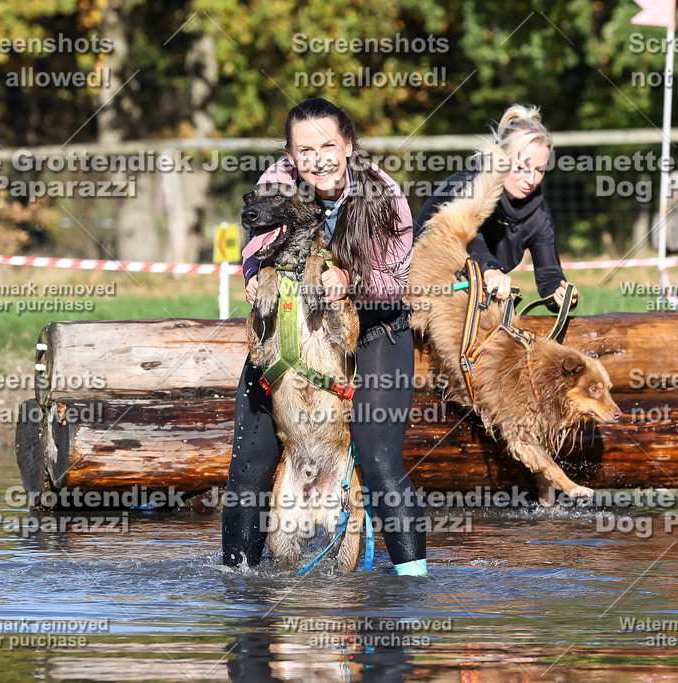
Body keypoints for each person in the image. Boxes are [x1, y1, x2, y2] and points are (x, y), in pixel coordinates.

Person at [222, 98, 428, 577]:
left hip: (376, 328)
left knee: (378, 461)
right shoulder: (277, 182)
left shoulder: (384, 193)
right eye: (305, 150)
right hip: (295, 334)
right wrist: (253, 273)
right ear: (291, 155)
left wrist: (347, 280)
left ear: (349, 144)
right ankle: (237, 587)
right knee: (248, 468)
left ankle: (412, 589)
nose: (318, 159)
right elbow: (255, 236)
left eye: (328, 145)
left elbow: (397, 282)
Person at [414, 104, 579, 312]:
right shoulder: (466, 186)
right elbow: (468, 236)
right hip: (422, 287)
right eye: (521, 167)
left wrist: (561, 295)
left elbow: (549, 277)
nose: (531, 179)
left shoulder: (539, 213)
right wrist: (489, 269)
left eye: (540, 170)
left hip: (474, 294)